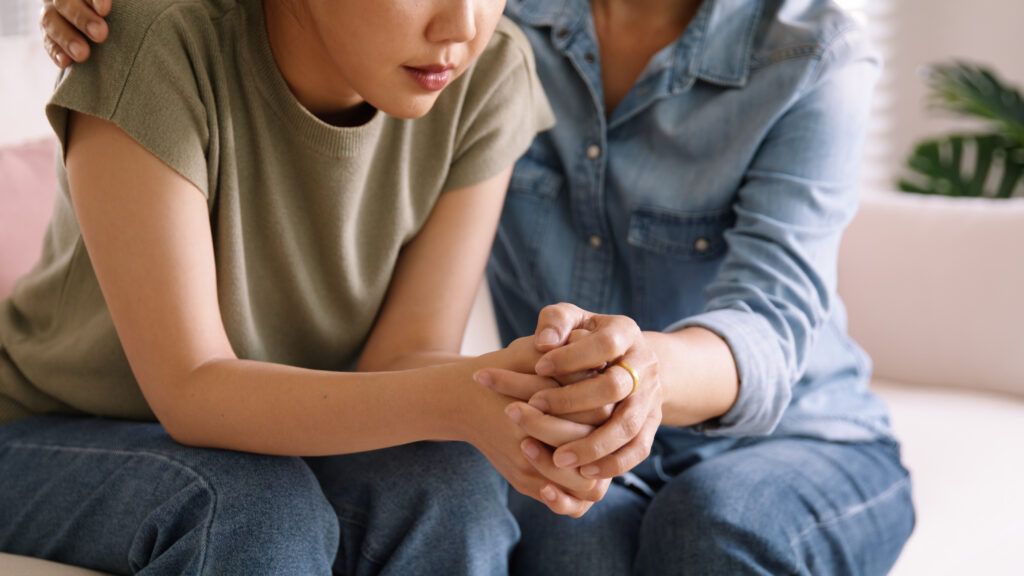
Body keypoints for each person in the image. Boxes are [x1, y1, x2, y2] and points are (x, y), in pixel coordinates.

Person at [40, 0, 918, 574]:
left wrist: (611, 377)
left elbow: (772, 317)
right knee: (541, 539)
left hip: (785, 431)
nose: (459, 24)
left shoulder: (806, 52)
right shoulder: (504, 32)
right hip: (76, 423)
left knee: (704, 529)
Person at [0, 0, 614, 574]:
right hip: (50, 429)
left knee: (451, 486)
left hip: (291, 439)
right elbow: (191, 390)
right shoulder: (159, 41)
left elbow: (401, 359)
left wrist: (517, 386)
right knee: (250, 508)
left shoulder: (489, 71)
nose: (461, 26)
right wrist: (456, 398)